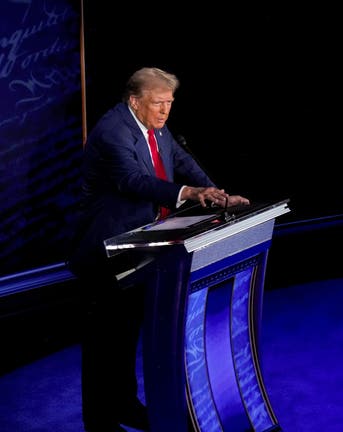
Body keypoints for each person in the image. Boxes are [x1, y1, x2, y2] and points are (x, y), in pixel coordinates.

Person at [68, 67, 249, 432]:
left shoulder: (155, 126)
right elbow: (133, 180)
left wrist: (217, 193)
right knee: (105, 342)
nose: (165, 111)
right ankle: (99, 422)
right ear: (135, 101)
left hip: (140, 246)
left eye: (169, 103)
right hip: (106, 252)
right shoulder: (112, 131)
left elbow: (181, 162)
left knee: (127, 334)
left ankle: (125, 405)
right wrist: (188, 194)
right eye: (158, 103)